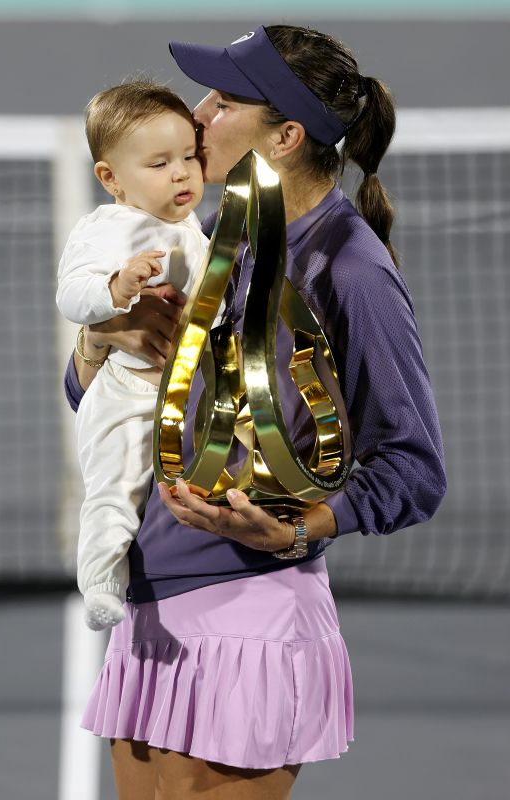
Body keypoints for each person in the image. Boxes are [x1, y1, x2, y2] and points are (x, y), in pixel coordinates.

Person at [64, 25, 447, 799]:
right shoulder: (216, 235)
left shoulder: (351, 270)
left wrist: (298, 529)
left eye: (223, 101)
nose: (197, 115)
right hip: (154, 593)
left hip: (247, 612)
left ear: (285, 136)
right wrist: (99, 344)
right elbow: (102, 400)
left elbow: (413, 469)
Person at [56, 79, 212, 631]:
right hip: (125, 392)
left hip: (184, 397)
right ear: (111, 179)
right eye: (160, 163)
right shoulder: (106, 229)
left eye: (189, 156)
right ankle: (101, 581)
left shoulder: (195, 230)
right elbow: (71, 294)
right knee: (115, 486)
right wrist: (117, 290)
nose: (181, 173)